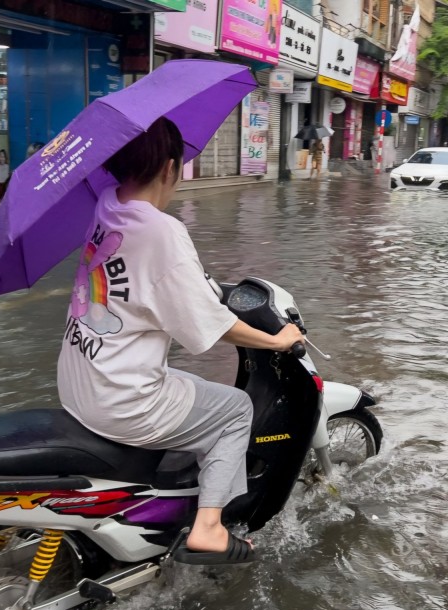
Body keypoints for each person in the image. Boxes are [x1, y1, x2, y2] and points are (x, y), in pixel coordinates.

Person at [57, 117, 304, 564]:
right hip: (121, 400)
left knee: (181, 380)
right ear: (171, 167)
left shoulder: (107, 206)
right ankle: (208, 527)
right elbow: (209, 328)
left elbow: (148, 282)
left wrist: (202, 285)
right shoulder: (162, 231)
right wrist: (279, 341)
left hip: (82, 383)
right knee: (234, 410)